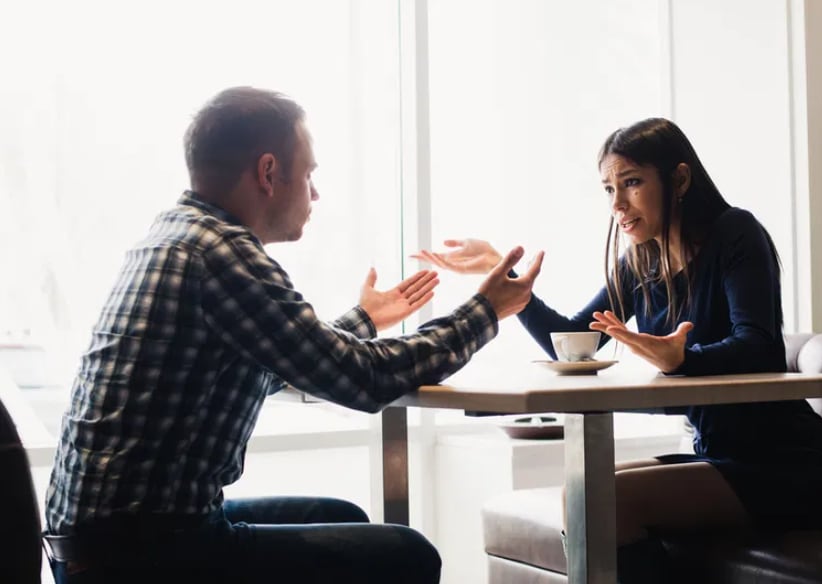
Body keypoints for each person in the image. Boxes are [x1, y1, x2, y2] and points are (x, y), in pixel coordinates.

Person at [43, 86, 544, 584]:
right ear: (268, 173)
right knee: (407, 554)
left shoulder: (176, 234)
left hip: (103, 542)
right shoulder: (221, 254)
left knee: (342, 516)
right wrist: (486, 310)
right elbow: (364, 379)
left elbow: (278, 366)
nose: (315, 193)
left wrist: (365, 320)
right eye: (309, 174)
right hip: (144, 553)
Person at [413, 117, 822, 581]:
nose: (618, 204)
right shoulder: (640, 263)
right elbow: (576, 345)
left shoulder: (736, 233)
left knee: (604, 500)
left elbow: (758, 347)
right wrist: (510, 284)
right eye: (608, 189)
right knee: (579, 494)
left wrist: (685, 359)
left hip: (791, 468)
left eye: (632, 183)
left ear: (679, 179)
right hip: (719, 455)